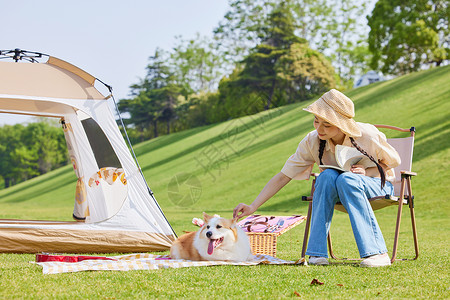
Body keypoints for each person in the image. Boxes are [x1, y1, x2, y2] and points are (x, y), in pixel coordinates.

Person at [233, 89, 401, 267]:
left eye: (327, 125)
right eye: (316, 121)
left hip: (377, 184)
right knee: (326, 176)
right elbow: (284, 176)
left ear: (342, 124)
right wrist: (253, 206)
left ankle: (377, 253)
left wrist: (366, 172)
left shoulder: (367, 135)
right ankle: (317, 254)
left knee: (347, 180)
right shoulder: (312, 141)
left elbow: (392, 163)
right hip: (340, 187)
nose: (319, 128)